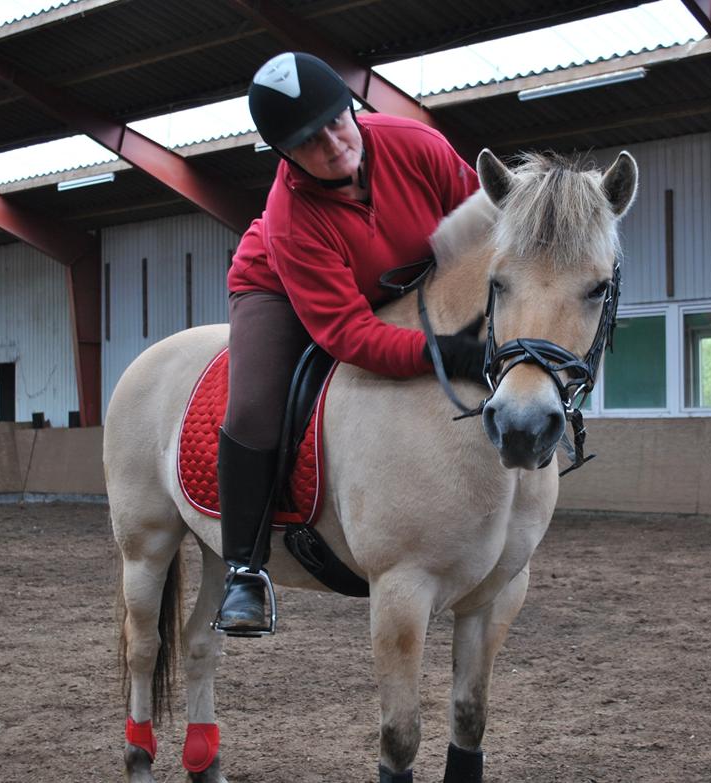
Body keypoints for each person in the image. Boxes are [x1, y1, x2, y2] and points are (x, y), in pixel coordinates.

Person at [216, 51, 487, 635]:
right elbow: (347, 334)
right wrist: (439, 351)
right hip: (277, 289)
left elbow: (483, 226)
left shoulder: (417, 145)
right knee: (257, 405)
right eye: (310, 142)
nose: (335, 146)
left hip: (399, 275)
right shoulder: (291, 216)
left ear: (352, 108)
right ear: (285, 155)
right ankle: (244, 567)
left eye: (338, 122)